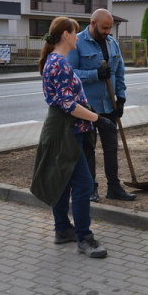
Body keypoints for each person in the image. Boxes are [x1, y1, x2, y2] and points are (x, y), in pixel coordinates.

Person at [31, 17, 113, 258]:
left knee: (62, 180)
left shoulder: (54, 61)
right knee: (84, 184)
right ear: (65, 35)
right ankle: (85, 239)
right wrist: (98, 119)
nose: (77, 38)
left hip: (62, 130)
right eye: (75, 33)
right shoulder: (60, 64)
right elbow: (68, 104)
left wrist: (92, 116)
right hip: (67, 132)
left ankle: (63, 229)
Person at [67, 9, 136, 202]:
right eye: (104, 27)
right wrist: (95, 74)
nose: (107, 31)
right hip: (87, 108)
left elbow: (119, 71)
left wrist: (121, 97)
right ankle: (91, 189)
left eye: (109, 28)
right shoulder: (78, 43)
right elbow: (70, 74)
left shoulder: (112, 43)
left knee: (111, 148)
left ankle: (114, 188)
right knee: (88, 148)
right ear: (93, 23)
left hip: (109, 106)